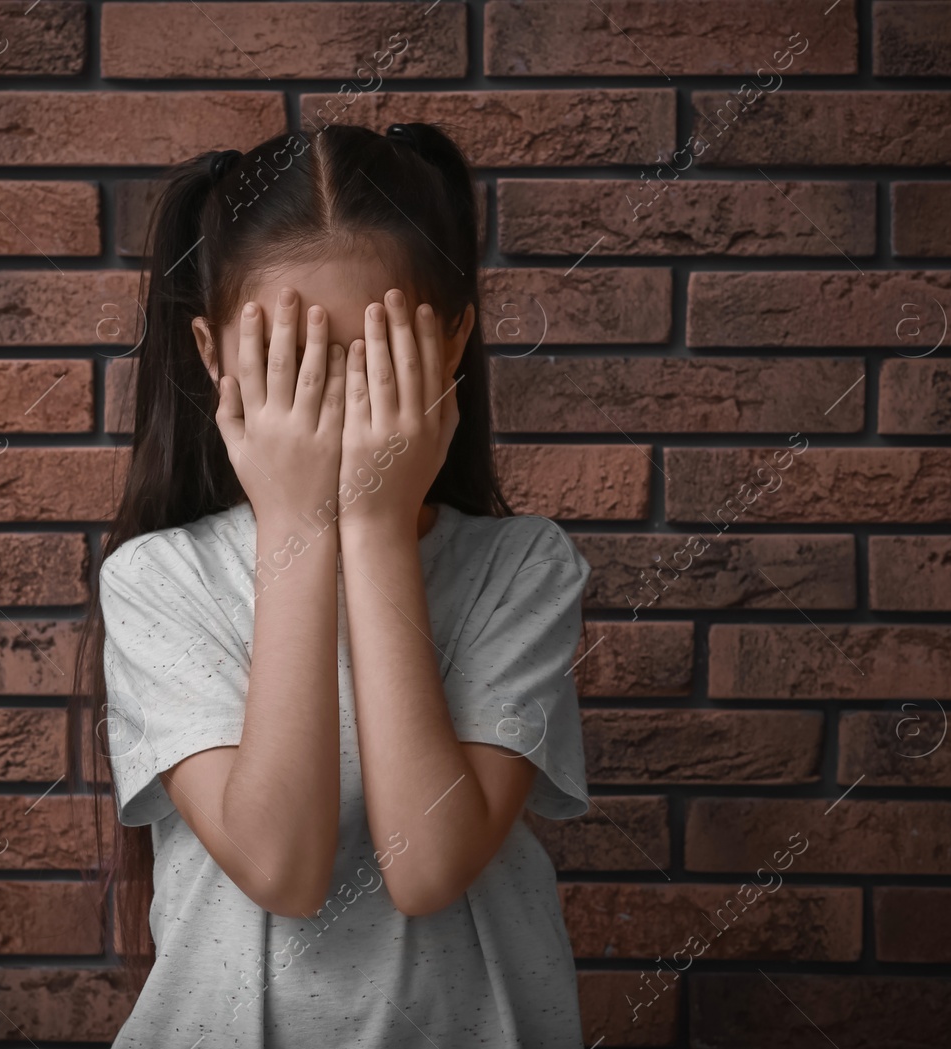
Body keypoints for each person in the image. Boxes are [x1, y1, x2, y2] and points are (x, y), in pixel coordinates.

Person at [73, 121, 593, 1048]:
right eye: (291, 367)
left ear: (453, 342)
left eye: (376, 360)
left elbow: (428, 864)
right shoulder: (159, 580)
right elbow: (283, 865)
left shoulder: (524, 569)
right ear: (213, 355)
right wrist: (301, 528)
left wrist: (378, 524)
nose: (337, 407)